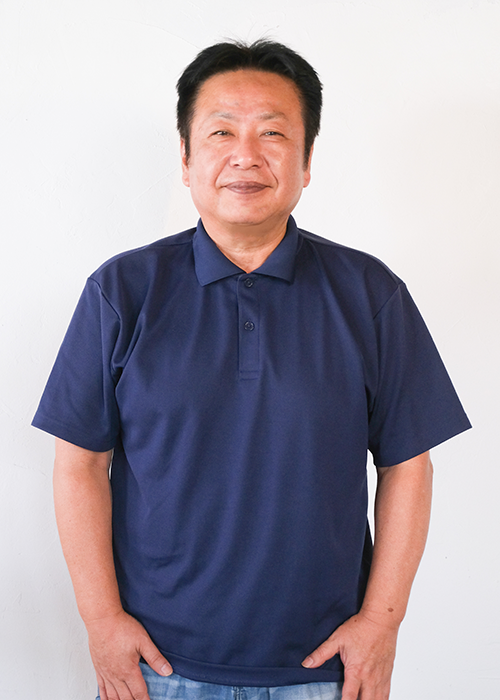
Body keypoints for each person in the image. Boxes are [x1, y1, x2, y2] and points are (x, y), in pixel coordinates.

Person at [33, 40, 471, 700]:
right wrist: (101, 622)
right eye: (221, 132)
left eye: (273, 133)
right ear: (186, 159)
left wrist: (382, 624)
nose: (246, 155)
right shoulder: (122, 291)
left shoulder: (370, 294)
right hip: (156, 668)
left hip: (324, 669)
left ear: (306, 161)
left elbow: (409, 464)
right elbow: (79, 464)